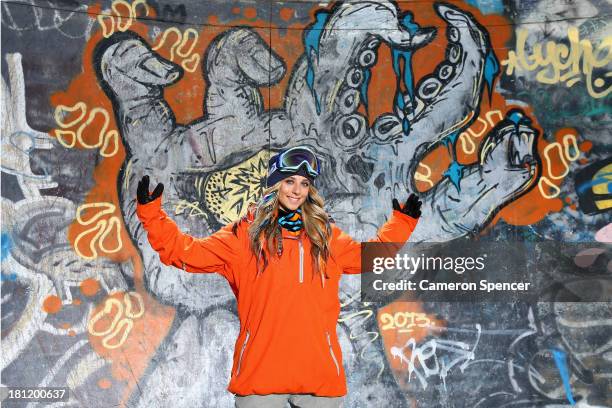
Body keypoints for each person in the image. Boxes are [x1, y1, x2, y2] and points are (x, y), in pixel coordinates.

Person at [135, 146, 422, 408]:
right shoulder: (243, 237)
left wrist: (401, 224)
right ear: (274, 183)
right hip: (261, 377)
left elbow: (369, 256)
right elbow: (187, 254)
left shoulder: (326, 238)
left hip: (317, 378)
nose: (297, 191)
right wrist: (152, 216)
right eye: (289, 181)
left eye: (304, 183)